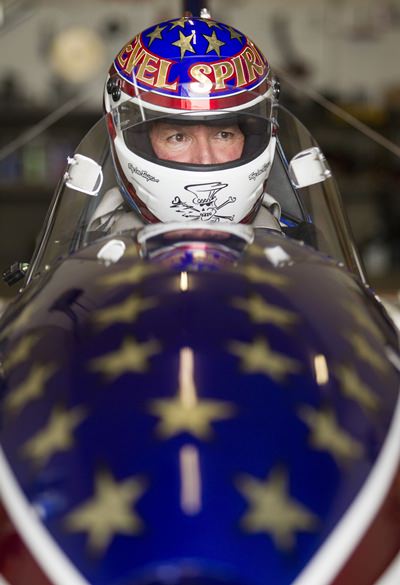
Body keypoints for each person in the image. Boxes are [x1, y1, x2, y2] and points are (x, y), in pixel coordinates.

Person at [92, 14, 282, 231]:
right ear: (139, 139)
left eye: (224, 135)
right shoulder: (97, 247)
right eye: (178, 137)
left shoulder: (288, 245)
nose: (205, 159)